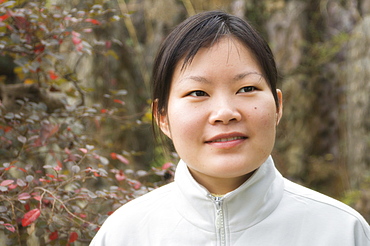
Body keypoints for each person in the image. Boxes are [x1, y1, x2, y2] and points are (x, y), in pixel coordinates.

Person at [90, 10, 370, 245]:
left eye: (247, 88)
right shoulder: (124, 235)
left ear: (278, 106)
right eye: (198, 93)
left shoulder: (342, 231)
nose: (224, 113)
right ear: (162, 116)